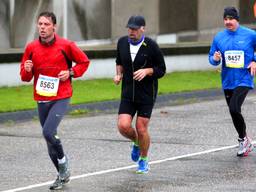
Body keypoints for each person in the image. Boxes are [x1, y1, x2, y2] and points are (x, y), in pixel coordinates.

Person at [20, 11, 90, 190]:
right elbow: (25, 77)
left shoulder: (66, 45)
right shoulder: (31, 47)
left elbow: (84, 62)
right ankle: (61, 176)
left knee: (48, 132)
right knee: (49, 139)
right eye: (40, 24)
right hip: (42, 97)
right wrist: (27, 69)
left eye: (46, 24)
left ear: (54, 27)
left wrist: (71, 72)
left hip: (61, 95)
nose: (42, 28)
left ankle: (64, 163)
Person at [114, 15, 166, 174]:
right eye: (129, 28)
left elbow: (161, 70)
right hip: (128, 92)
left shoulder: (151, 46)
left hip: (146, 94)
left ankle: (143, 159)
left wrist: (147, 70)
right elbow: (119, 62)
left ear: (143, 29)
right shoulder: (122, 42)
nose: (131, 31)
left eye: (135, 29)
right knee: (123, 126)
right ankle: (136, 141)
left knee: (141, 127)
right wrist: (118, 74)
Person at [209, 7, 256, 157]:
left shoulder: (250, 35)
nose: (228, 22)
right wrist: (215, 59)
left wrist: (255, 61)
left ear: (237, 19)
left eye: (231, 19)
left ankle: (242, 140)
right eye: (226, 19)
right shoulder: (219, 37)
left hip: (244, 78)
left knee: (234, 108)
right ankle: (245, 138)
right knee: (233, 112)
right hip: (228, 80)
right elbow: (212, 57)